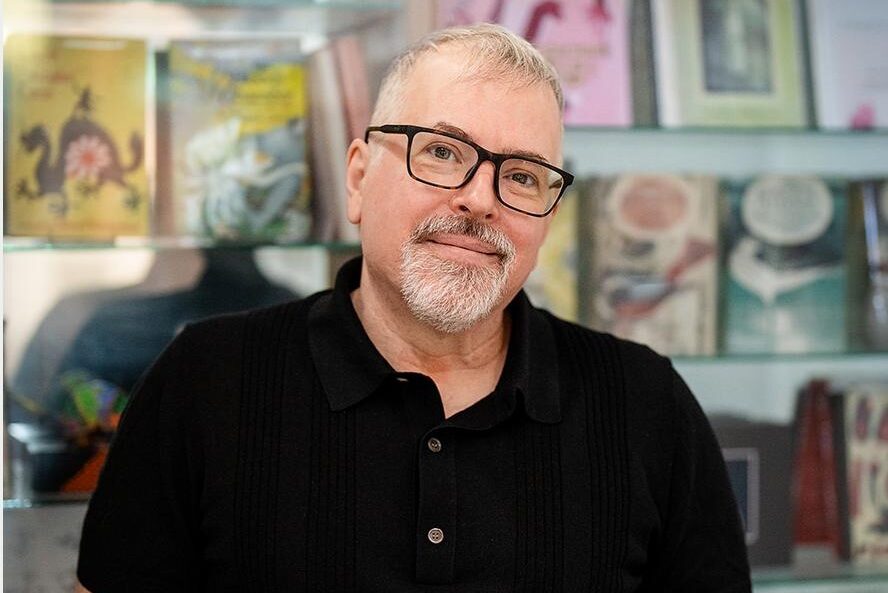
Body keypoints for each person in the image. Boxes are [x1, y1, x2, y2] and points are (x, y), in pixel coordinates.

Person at [77, 24, 751, 592]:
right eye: (441, 151)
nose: (480, 199)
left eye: (520, 174)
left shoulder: (645, 403)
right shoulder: (206, 379)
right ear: (359, 177)